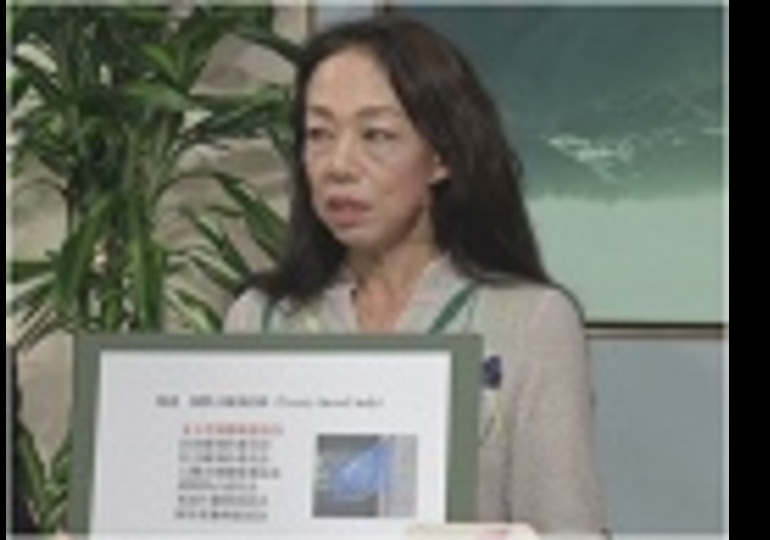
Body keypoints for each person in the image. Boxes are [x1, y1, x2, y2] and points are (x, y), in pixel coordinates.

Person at [224, 14, 606, 534]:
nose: (338, 165)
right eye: (318, 134)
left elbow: (567, 527)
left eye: (376, 135)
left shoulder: (529, 321)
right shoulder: (260, 319)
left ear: (441, 157)